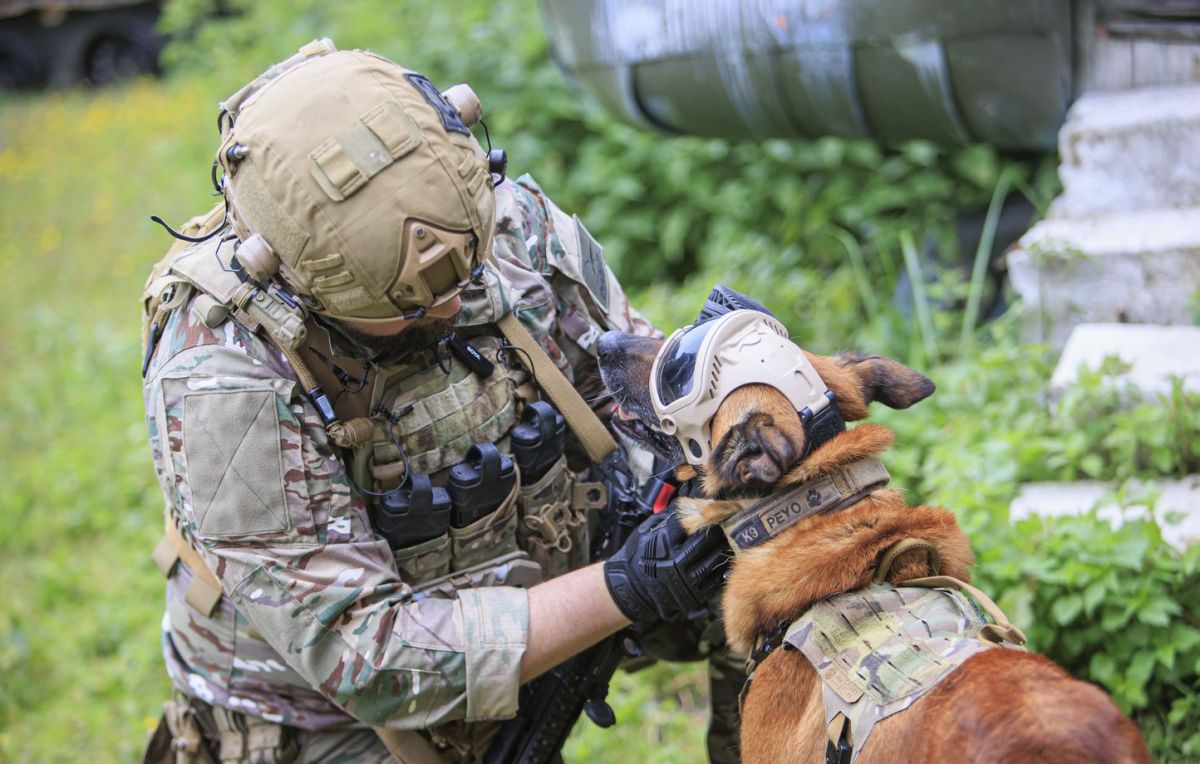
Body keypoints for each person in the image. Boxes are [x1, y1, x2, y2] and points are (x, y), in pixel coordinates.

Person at [139, 40, 737, 763]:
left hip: (543, 581)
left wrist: (735, 388)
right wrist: (624, 587)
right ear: (296, 287)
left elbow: (626, 396)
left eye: (467, 270)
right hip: (326, 721)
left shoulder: (502, 219)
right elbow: (372, 661)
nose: (452, 303)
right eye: (408, 305)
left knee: (768, 555)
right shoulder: (222, 374)